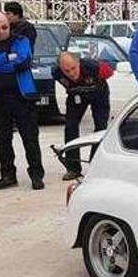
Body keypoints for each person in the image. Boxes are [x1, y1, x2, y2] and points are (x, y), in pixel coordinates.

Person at [0, 11, 44, 190]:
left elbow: (23, 62)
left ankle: (36, 175)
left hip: (22, 97)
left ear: (9, 25)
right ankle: (7, 175)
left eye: (4, 27)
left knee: (30, 138)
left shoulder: (21, 41)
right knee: (3, 140)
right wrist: (6, 58)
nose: (1, 31)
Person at [52, 51, 113, 180]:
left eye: (74, 68)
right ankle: (73, 168)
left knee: (100, 128)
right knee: (70, 127)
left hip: (98, 93)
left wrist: (94, 84)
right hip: (76, 94)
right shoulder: (56, 73)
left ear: (78, 63)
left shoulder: (94, 66)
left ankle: (95, 165)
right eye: (67, 71)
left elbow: (110, 72)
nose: (71, 73)